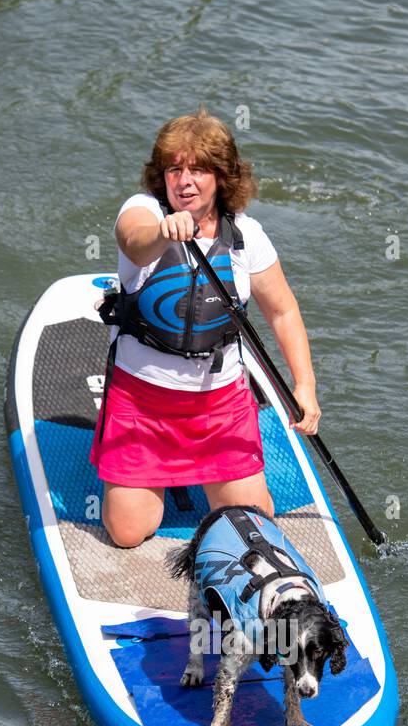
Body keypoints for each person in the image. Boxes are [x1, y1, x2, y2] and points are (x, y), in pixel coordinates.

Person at [90, 106, 322, 548]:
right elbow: (135, 245)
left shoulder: (247, 236)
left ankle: (201, 474)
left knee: (253, 524)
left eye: (198, 169)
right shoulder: (142, 211)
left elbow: (283, 311)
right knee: (127, 534)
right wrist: (164, 232)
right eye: (174, 169)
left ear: (221, 178)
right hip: (142, 404)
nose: (185, 180)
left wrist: (304, 386)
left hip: (218, 409)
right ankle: (158, 479)